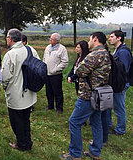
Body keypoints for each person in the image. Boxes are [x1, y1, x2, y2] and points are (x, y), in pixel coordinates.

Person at [60, 32, 111, 160]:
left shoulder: (95, 54)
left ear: (95, 39)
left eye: (89, 39)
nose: (88, 42)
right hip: (100, 94)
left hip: (88, 95)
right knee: (96, 122)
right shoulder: (105, 53)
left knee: (74, 122)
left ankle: (75, 154)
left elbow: (80, 70)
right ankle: (95, 152)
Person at [2, 28, 39, 151]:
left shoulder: (10, 54)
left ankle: (21, 144)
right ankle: (27, 142)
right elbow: (39, 67)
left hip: (16, 94)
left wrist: (4, 87)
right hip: (29, 91)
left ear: (10, 39)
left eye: (7, 37)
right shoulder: (30, 50)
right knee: (25, 119)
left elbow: (5, 76)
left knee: (16, 121)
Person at [108, 30, 132, 135]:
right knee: (114, 105)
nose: (110, 38)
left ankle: (120, 130)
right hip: (116, 82)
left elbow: (123, 70)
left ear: (119, 38)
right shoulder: (117, 50)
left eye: (112, 36)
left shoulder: (123, 52)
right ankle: (110, 125)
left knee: (119, 107)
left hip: (120, 83)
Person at [43, 33, 69, 113]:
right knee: (48, 91)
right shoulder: (47, 48)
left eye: (52, 39)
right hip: (47, 73)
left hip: (56, 74)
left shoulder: (62, 49)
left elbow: (65, 62)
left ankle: (59, 108)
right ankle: (50, 106)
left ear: (57, 41)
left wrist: (56, 69)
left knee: (57, 92)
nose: (50, 40)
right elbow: (44, 58)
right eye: (50, 38)